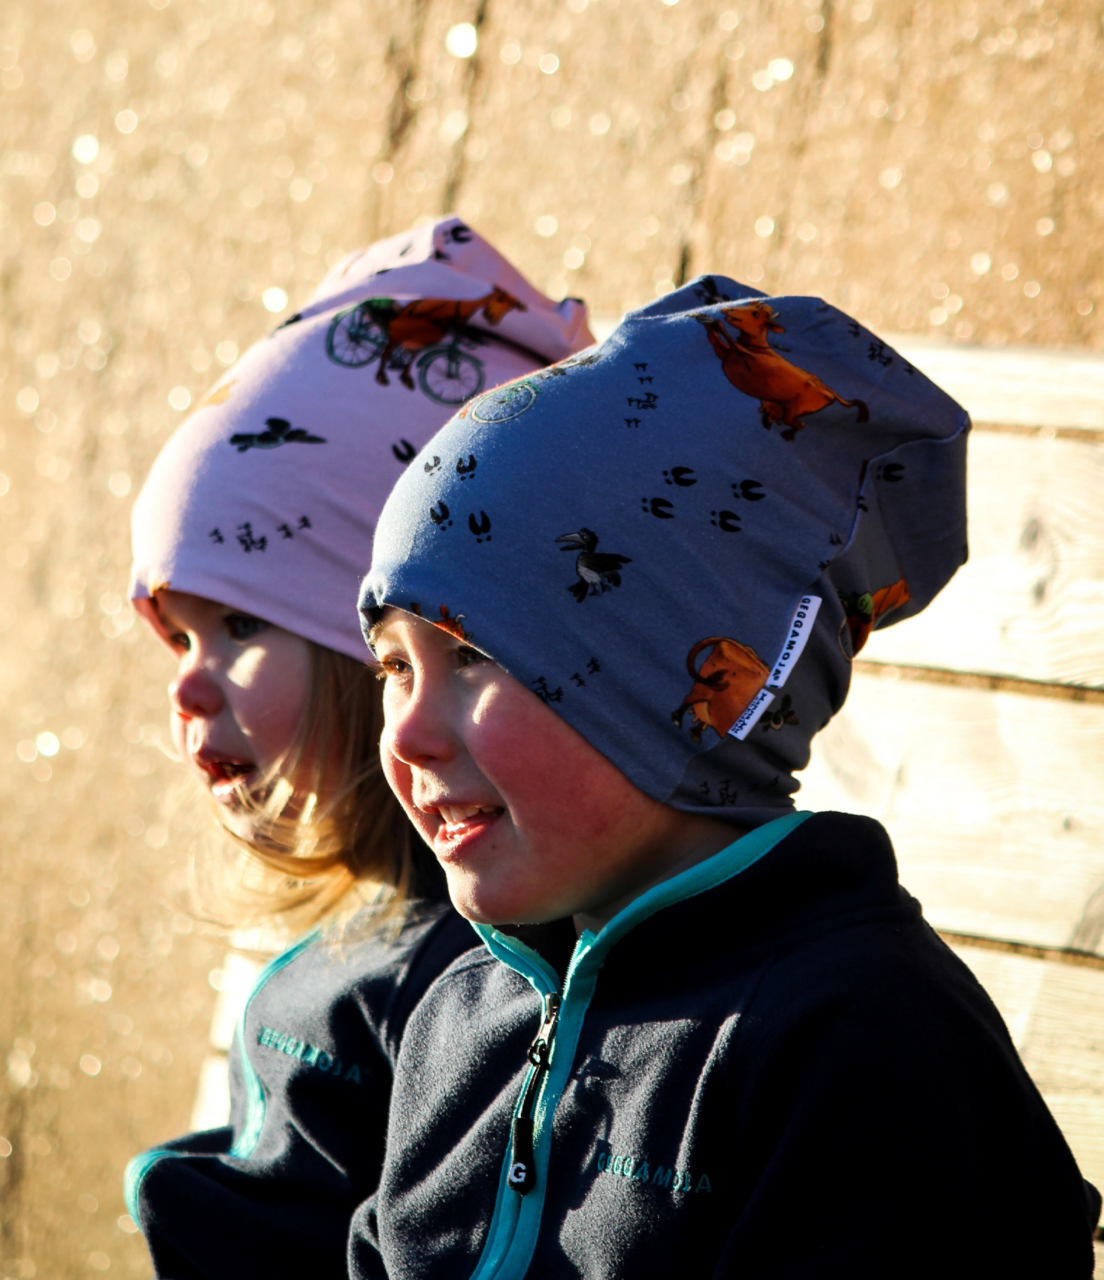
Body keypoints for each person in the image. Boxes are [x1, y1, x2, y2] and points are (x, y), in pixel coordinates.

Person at [351, 276, 1101, 1278]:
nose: (407, 733)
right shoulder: (462, 1014)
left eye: (475, 654)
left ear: (661, 679)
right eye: (392, 666)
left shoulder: (859, 1042)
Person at [120, 216, 592, 1278]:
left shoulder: (469, 979)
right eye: (180, 632)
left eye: (241, 625)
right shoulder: (370, 928)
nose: (186, 680)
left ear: (371, 652)